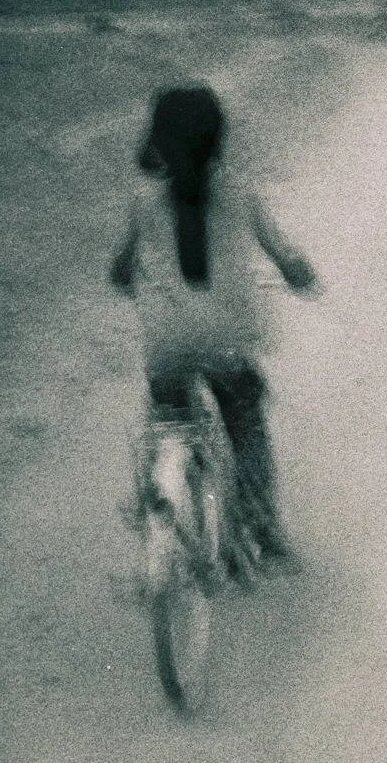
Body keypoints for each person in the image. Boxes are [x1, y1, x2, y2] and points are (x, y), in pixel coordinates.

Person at [109, 84, 318, 561]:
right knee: (246, 424)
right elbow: (286, 256)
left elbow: (121, 268)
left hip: (167, 341)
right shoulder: (242, 193)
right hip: (228, 341)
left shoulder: (142, 201)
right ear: (218, 138)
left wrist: (126, 279)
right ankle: (262, 532)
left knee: (168, 412)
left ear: (158, 138)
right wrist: (300, 275)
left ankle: (158, 489)